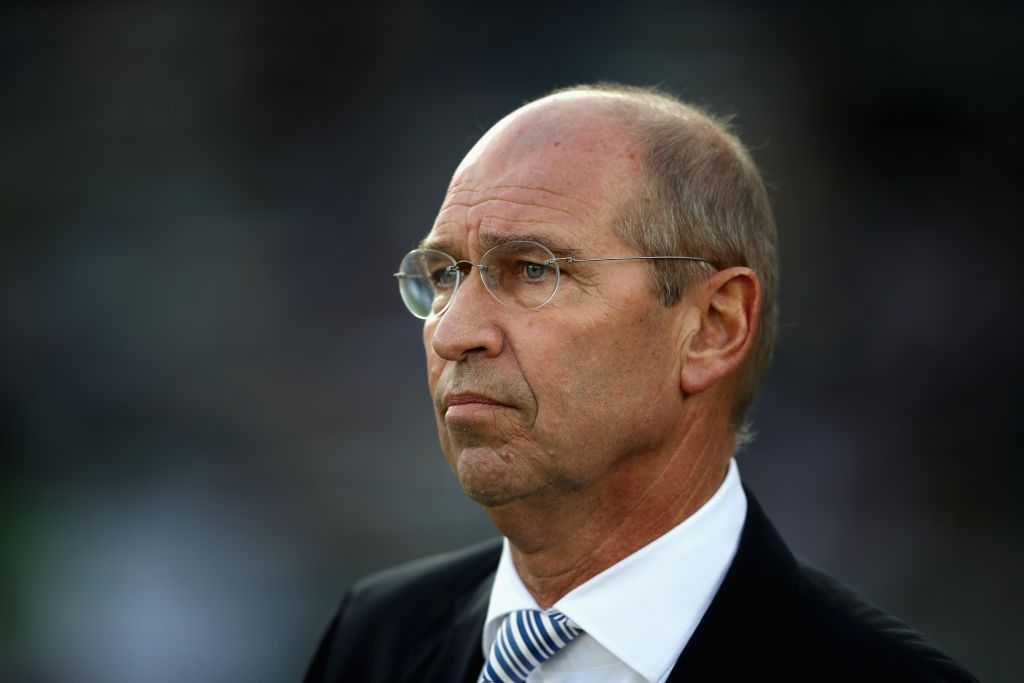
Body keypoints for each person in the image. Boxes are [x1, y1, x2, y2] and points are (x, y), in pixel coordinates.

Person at [305, 83, 977, 682]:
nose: (452, 333)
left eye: (534, 269)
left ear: (712, 327)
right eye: (444, 274)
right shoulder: (373, 638)